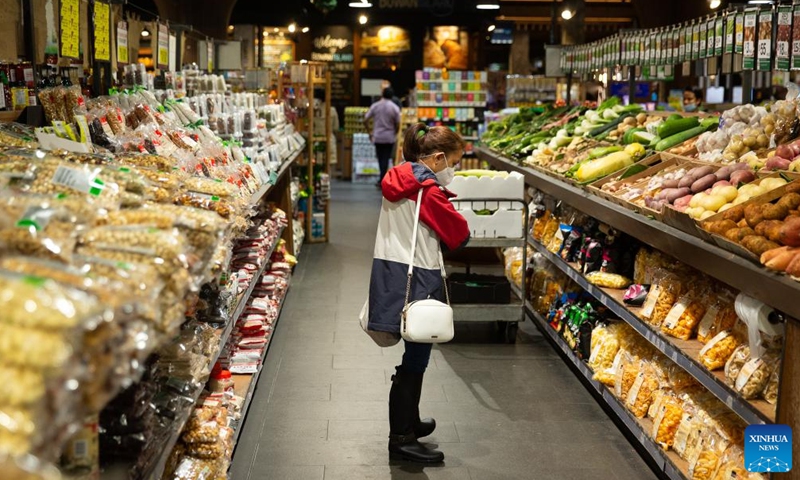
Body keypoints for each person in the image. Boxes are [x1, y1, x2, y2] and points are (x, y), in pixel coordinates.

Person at [367, 123, 470, 464]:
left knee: (414, 352)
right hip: (419, 274)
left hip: (391, 268)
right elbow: (458, 234)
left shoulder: (400, 176)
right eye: (454, 162)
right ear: (438, 158)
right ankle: (400, 438)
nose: (453, 169)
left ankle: (409, 421)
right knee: (417, 355)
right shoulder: (428, 190)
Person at [364, 88, 401, 185]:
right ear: (391, 96)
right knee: (386, 157)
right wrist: (395, 132)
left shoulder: (375, 106)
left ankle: (382, 178)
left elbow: (365, 119)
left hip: (378, 136)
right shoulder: (394, 108)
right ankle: (383, 179)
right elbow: (398, 123)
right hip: (389, 137)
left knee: (380, 158)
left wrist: (370, 132)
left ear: (382, 95)